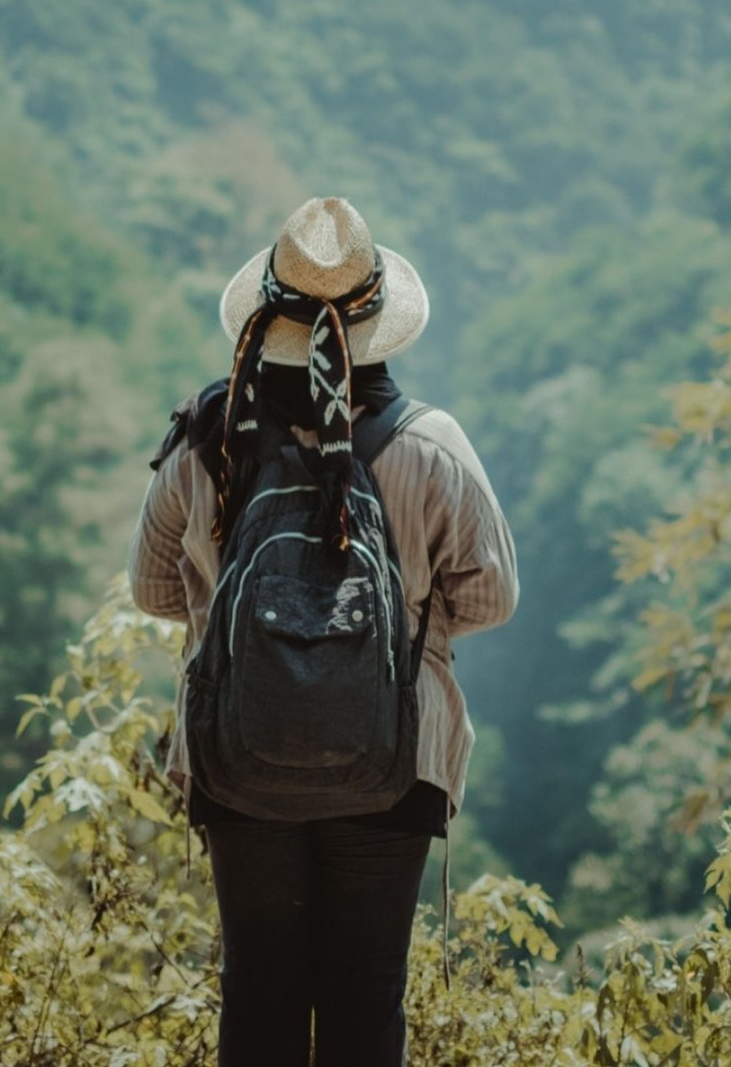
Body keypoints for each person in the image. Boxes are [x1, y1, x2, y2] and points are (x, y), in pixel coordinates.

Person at [127, 196, 519, 1065]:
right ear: (381, 324)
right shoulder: (431, 443)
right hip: (394, 758)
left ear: (265, 317)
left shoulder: (206, 440)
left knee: (259, 992)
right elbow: (492, 598)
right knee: (365, 999)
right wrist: (398, 628)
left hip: (238, 755)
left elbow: (152, 589)